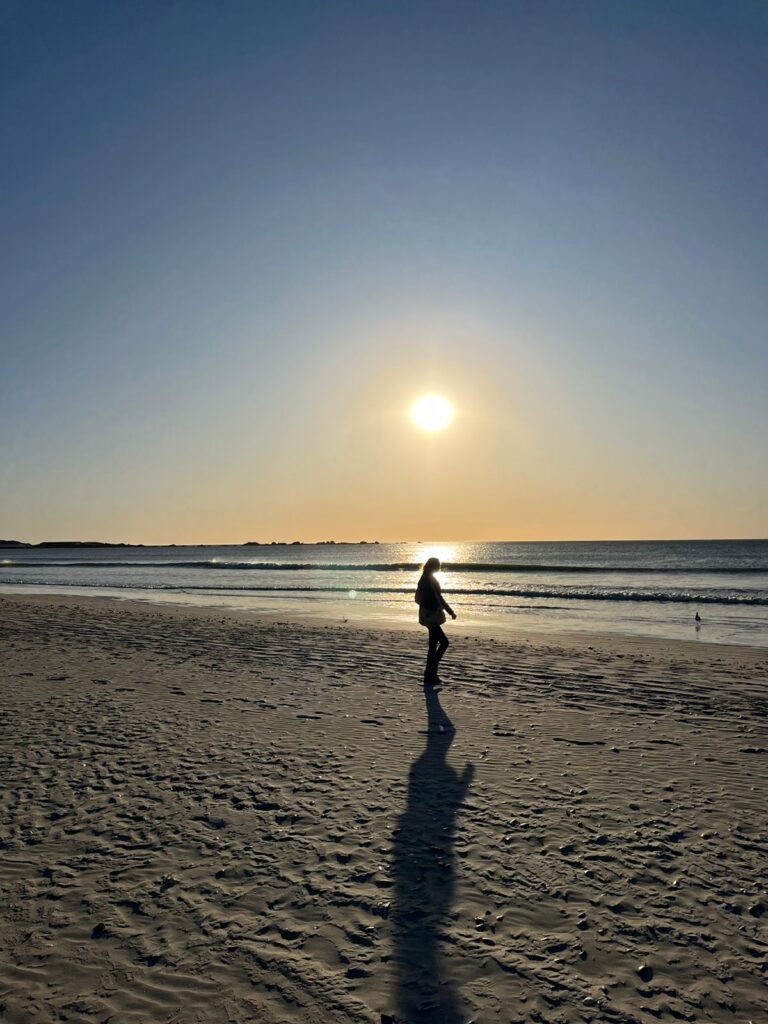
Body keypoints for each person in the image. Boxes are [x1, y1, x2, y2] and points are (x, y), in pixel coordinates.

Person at [415, 557, 456, 688]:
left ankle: (430, 675)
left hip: (432, 615)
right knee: (444, 643)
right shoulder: (425, 580)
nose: (439, 568)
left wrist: (450, 611)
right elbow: (417, 598)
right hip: (429, 616)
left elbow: (439, 597)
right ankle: (431, 671)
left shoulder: (431, 578)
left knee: (433, 646)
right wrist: (431, 607)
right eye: (437, 565)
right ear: (433, 566)